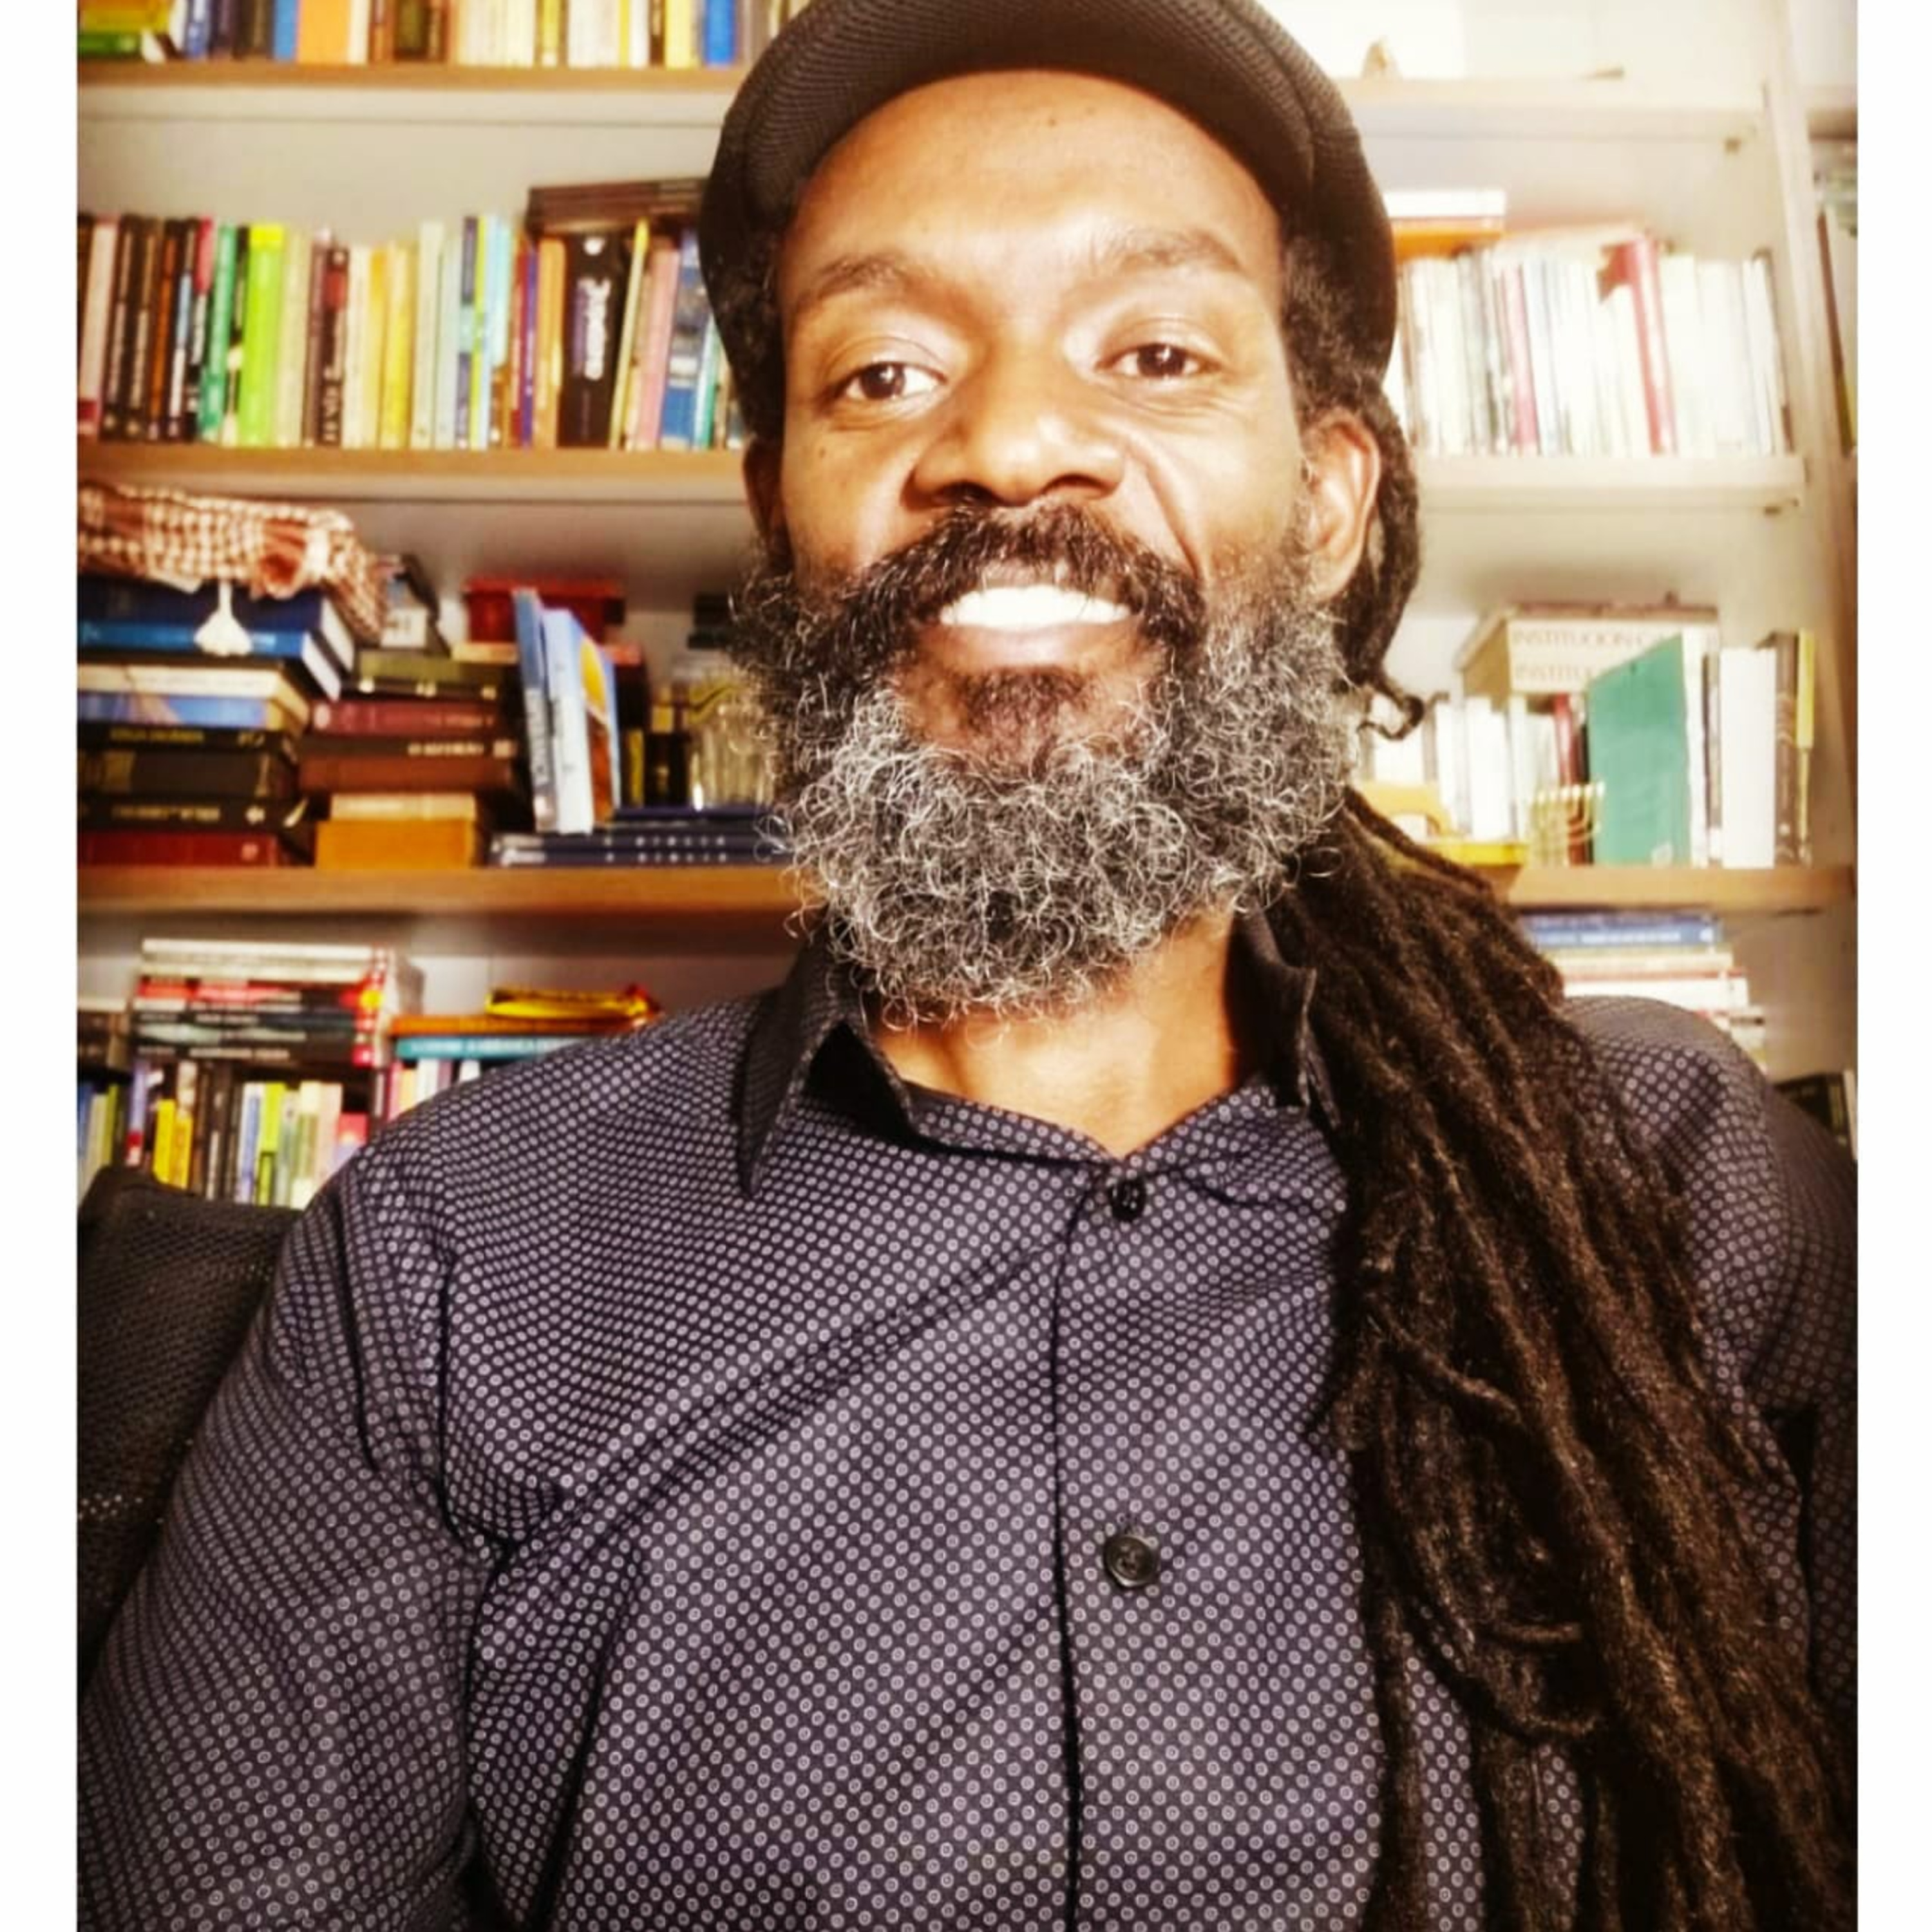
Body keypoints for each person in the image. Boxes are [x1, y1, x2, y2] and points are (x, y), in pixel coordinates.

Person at [80, 2, 1854, 1926]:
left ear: (1334, 503)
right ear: (780, 519)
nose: (1005, 442)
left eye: (1156, 352)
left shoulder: (1689, 1186)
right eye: (886, 371)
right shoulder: (458, 1253)